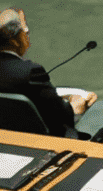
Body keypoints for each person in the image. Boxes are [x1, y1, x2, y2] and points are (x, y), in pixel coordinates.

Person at [0, 7, 95, 137]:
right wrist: (75, 106)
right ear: (14, 41)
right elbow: (60, 116)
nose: (28, 38)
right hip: (41, 142)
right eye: (26, 32)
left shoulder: (20, 74)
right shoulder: (30, 72)